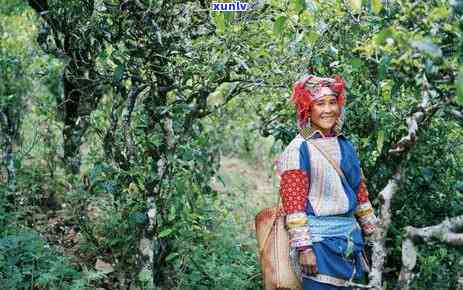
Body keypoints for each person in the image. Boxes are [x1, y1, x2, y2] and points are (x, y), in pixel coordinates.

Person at [276, 74, 378, 290]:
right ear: (307, 109)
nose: (328, 110)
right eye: (320, 103)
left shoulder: (345, 144)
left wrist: (373, 235)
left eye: (332, 102)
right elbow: (294, 205)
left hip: (349, 242)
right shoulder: (298, 149)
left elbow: (359, 192)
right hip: (318, 246)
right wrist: (304, 248)